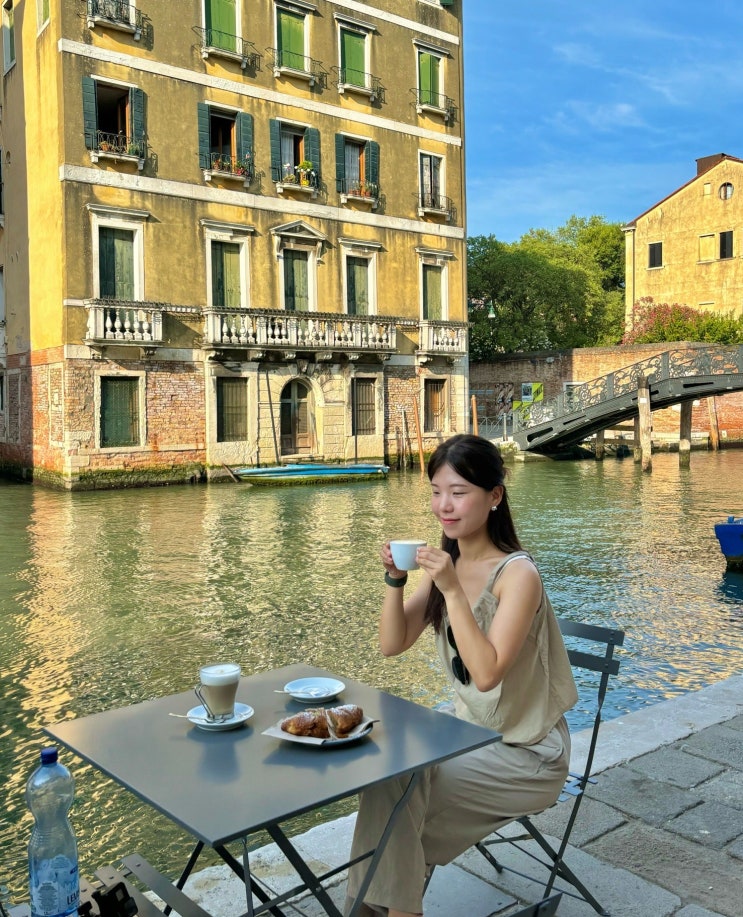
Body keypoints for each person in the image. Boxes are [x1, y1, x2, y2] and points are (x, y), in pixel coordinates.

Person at [345, 434, 578, 917]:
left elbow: (487, 673)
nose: (443, 506)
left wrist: (452, 590)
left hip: (527, 754)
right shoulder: (445, 566)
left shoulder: (517, 575)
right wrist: (395, 580)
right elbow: (392, 644)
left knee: (397, 812)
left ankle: (367, 910)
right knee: (390, 782)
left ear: (494, 497)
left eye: (458, 492)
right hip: (467, 740)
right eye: (436, 492)